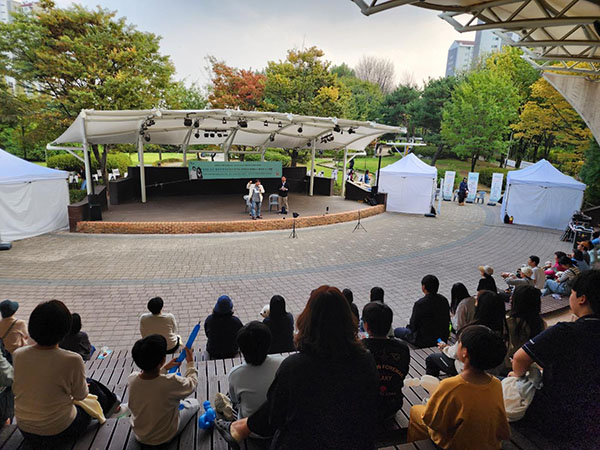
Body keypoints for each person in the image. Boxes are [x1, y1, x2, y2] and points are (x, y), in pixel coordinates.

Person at [215, 285, 379, 450]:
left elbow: (274, 418)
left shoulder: (294, 367)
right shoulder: (365, 360)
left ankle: (240, 427)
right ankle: (241, 427)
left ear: (308, 320)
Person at [510, 270, 600, 448]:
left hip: (556, 417)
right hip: (592, 419)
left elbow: (519, 359)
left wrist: (516, 375)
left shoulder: (565, 331)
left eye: (572, 293)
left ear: (582, 299)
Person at [408, 325, 511, 449]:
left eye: (459, 343)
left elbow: (432, 421)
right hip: (489, 444)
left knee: (415, 411)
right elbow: (501, 424)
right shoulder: (496, 384)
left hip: (456, 445)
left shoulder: (451, 385)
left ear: (464, 353)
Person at [13, 300, 92, 448]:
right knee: (93, 400)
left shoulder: (18, 354)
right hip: (60, 430)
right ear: (65, 329)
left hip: (25, 428)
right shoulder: (72, 359)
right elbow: (81, 395)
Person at [128, 334, 198, 446]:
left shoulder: (132, 378)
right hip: (165, 436)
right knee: (194, 403)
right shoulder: (171, 381)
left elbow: (152, 384)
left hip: (140, 435)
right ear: (163, 359)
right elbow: (192, 384)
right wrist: (190, 363)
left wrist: (164, 368)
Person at [426, 290, 507, 377]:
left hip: (470, 370)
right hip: (493, 370)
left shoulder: (474, 330)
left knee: (431, 358)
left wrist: (445, 348)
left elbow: (456, 353)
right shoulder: (504, 329)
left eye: (476, 302)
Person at [362, 302, 410, 421]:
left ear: (366, 326)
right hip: (393, 404)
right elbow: (403, 372)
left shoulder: (358, 349)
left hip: (365, 407)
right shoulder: (402, 348)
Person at [228, 322, 283, 422]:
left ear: (241, 348)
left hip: (249, 429)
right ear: (269, 343)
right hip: (278, 426)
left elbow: (234, 400)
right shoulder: (282, 364)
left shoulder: (235, 374)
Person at [394, 275, 450, 348]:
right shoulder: (444, 300)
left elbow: (413, 325)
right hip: (440, 338)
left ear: (423, 287)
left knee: (397, 331)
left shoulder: (420, 304)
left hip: (423, 340)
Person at [505, 285, 546, 371]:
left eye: (513, 296)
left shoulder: (507, 323)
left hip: (511, 366)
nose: (510, 298)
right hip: (532, 364)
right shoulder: (541, 323)